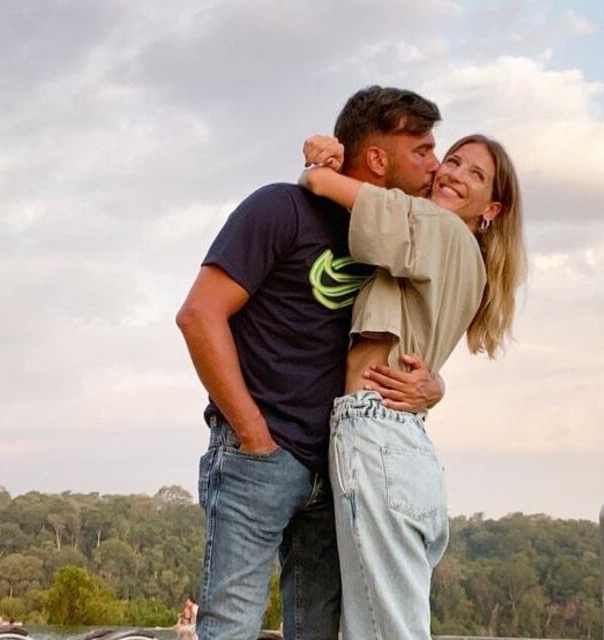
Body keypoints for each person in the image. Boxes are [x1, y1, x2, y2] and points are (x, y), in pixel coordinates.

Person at [176, 86, 447, 640]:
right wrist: (253, 434)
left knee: (319, 630)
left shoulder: (391, 243)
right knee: (230, 626)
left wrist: (434, 385)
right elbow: (199, 316)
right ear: (376, 157)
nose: (435, 165)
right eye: (421, 149)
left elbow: (402, 340)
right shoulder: (282, 207)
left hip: (341, 470)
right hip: (261, 459)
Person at [299, 130, 526, 639]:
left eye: (476, 174)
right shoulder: (457, 253)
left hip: (378, 436)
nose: (454, 174)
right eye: (453, 160)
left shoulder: (436, 230)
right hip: (405, 445)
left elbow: (325, 188)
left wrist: (323, 166)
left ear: (492, 208)